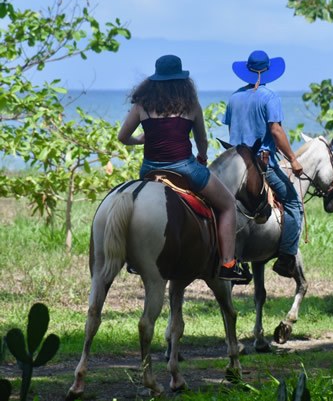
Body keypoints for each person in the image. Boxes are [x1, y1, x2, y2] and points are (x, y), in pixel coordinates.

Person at [118, 54, 251, 284]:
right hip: (185, 169)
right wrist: (202, 155)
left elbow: (123, 137)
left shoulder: (142, 106)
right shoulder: (190, 105)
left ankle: (133, 258)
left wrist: (142, 140)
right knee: (228, 204)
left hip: (149, 172)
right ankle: (229, 264)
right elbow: (202, 139)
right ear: (182, 80)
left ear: (154, 81)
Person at [224, 50, 303, 278]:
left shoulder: (234, 97)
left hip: (232, 163)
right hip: (261, 163)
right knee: (292, 203)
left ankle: (235, 258)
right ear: (267, 71)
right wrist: (293, 159)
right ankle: (286, 258)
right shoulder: (270, 97)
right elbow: (276, 131)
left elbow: (232, 132)